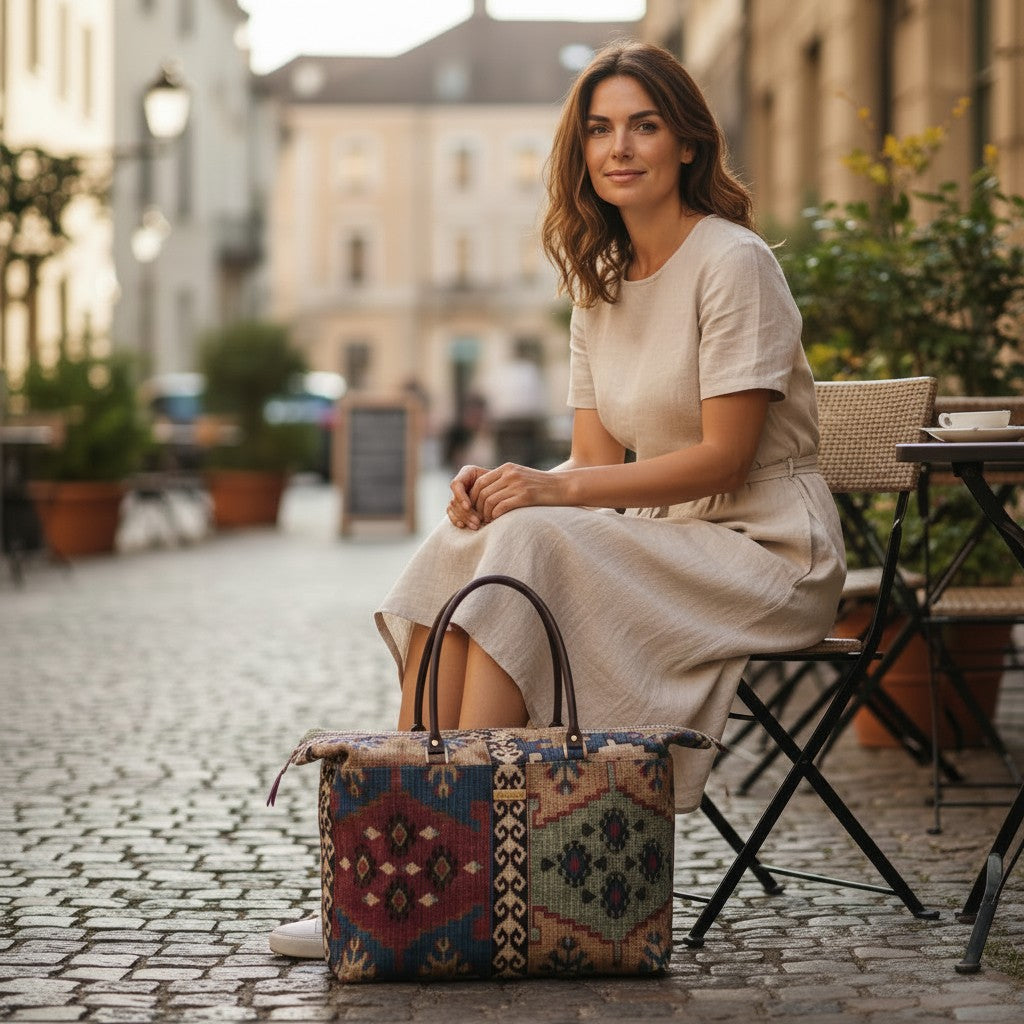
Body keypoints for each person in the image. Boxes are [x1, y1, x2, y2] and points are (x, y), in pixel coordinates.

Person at [268, 39, 846, 959]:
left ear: (687, 144)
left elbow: (724, 461)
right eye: (600, 130)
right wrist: (499, 497)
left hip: (766, 549)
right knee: (463, 551)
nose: (620, 148)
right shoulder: (598, 283)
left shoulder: (734, 264)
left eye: (644, 126)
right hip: (668, 541)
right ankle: (400, 863)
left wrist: (550, 495)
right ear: (581, 154)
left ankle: (451, 877)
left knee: (537, 545)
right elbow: (588, 463)